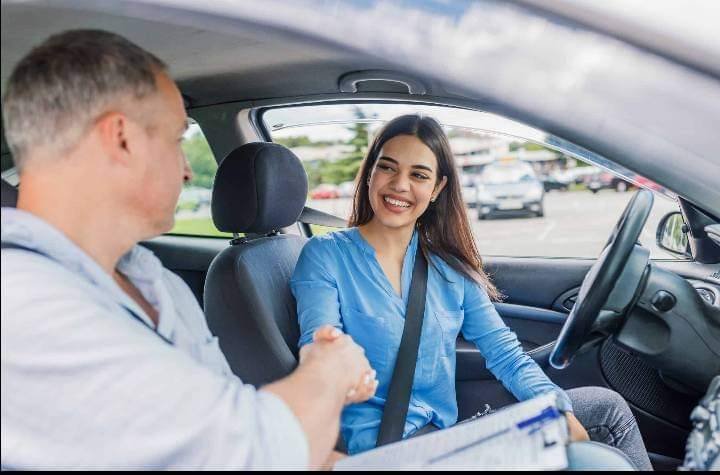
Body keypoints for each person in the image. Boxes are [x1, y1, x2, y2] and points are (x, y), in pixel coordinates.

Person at [0, 29, 377, 470]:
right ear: (121, 138)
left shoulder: (154, 280)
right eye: (177, 139)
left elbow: (227, 413)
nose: (184, 171)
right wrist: (329, 368)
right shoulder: (22, 301)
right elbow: (247, 454)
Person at [291, 114, 653, 470]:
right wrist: (331, 366)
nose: (400, 185)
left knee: (604, 409)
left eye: (418, 175)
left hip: (447, 437)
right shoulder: (326, 256)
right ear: (370, 173)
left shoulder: (450, 269)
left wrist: (554, 405)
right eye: (387, 168)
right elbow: (318, 342)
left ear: (436, 189)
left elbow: (507, 356)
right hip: (383, 452)